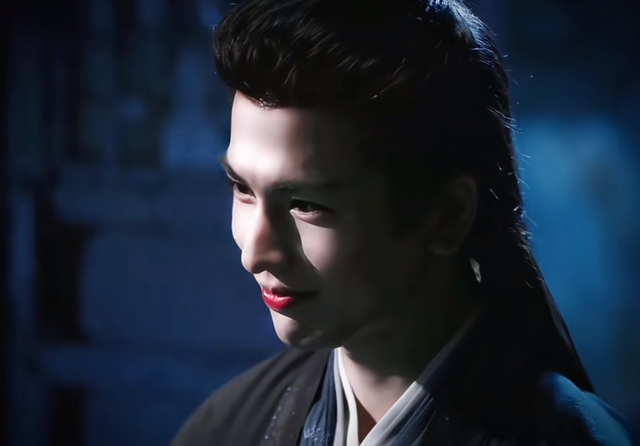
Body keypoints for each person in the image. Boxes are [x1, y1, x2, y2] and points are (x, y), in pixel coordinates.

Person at [171, 0, 634, 444]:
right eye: (243, 188)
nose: (254, 253)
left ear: (447, 215)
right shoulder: (227, 427)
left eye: (306, 204)